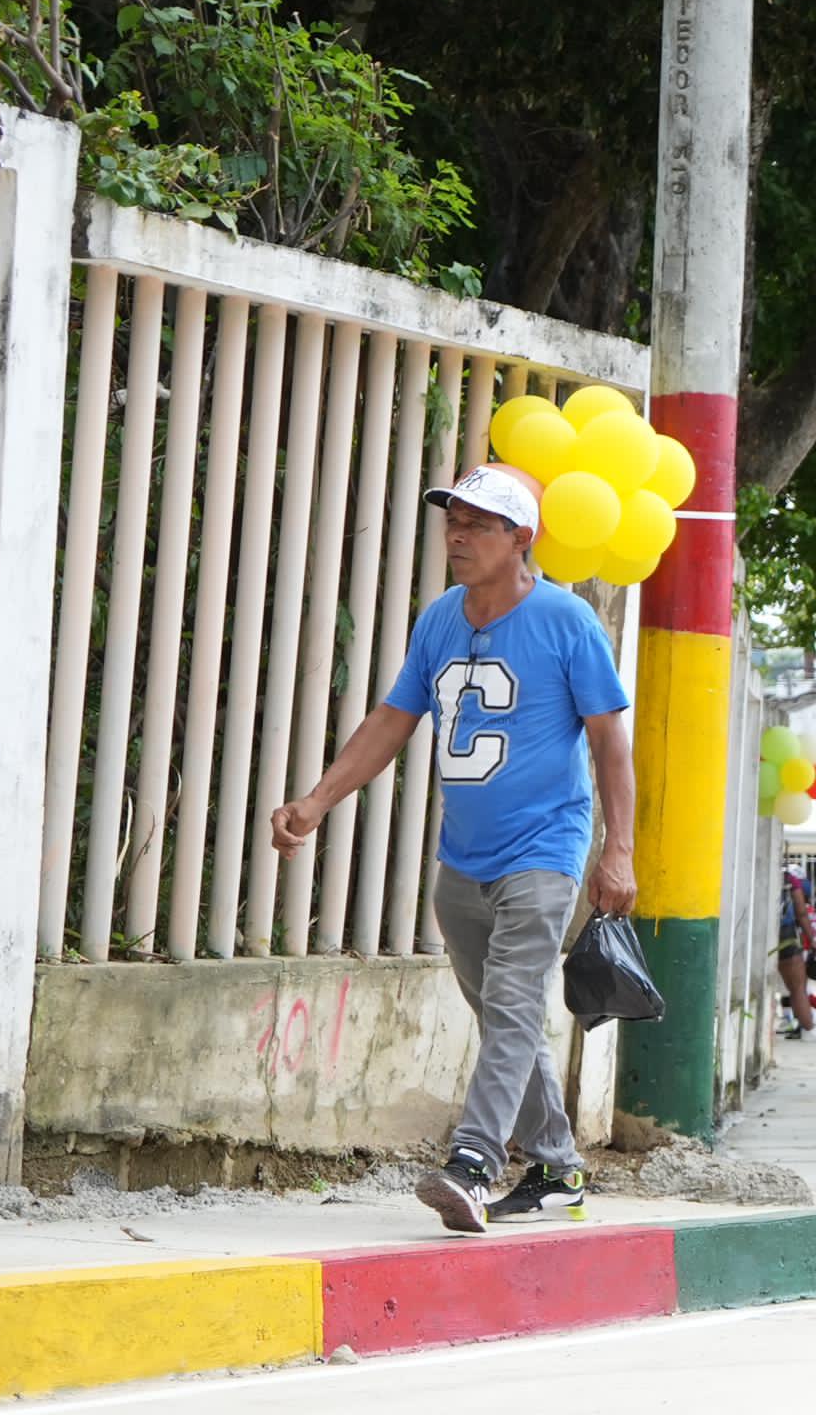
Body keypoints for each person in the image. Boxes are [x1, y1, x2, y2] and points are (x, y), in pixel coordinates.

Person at [268, 462, 630, 1233]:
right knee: (504, 1017)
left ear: (520, 537)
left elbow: (609, 742)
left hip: (546, 846)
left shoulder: (567, 622)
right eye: (452, 521)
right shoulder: (439, 620)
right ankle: (557, 1168)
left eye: (477, 524)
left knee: (512, 1002)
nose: (458, 536)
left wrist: (618, 849)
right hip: (462, 856)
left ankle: (472, 1162)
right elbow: (392, 721)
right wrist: (317, 801)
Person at [776, 866, 816, 1039]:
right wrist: (814, 942)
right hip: (785, 935)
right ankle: (808, 1029)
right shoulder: (789, 879)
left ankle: (798, 1024)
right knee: (798, 987)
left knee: (790, 988)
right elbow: (801, 913)